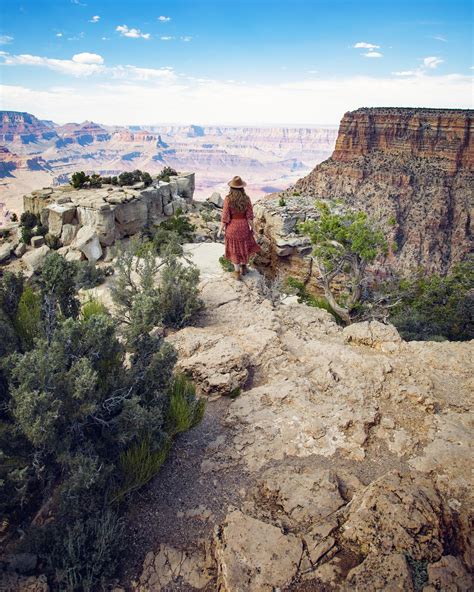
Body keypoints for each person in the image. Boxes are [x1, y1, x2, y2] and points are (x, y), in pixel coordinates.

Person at [218, 176, 260, 280]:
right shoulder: (246, 199)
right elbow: (249, 216)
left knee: (234, 249)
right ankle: (244, 267)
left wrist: (220, 229)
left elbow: (225, 216)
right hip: (243, 227)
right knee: (244, 247)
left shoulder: (228, 199)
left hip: (232, 227)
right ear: (242, 188)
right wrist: (253, 228)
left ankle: (237, 272)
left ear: (231, 188)